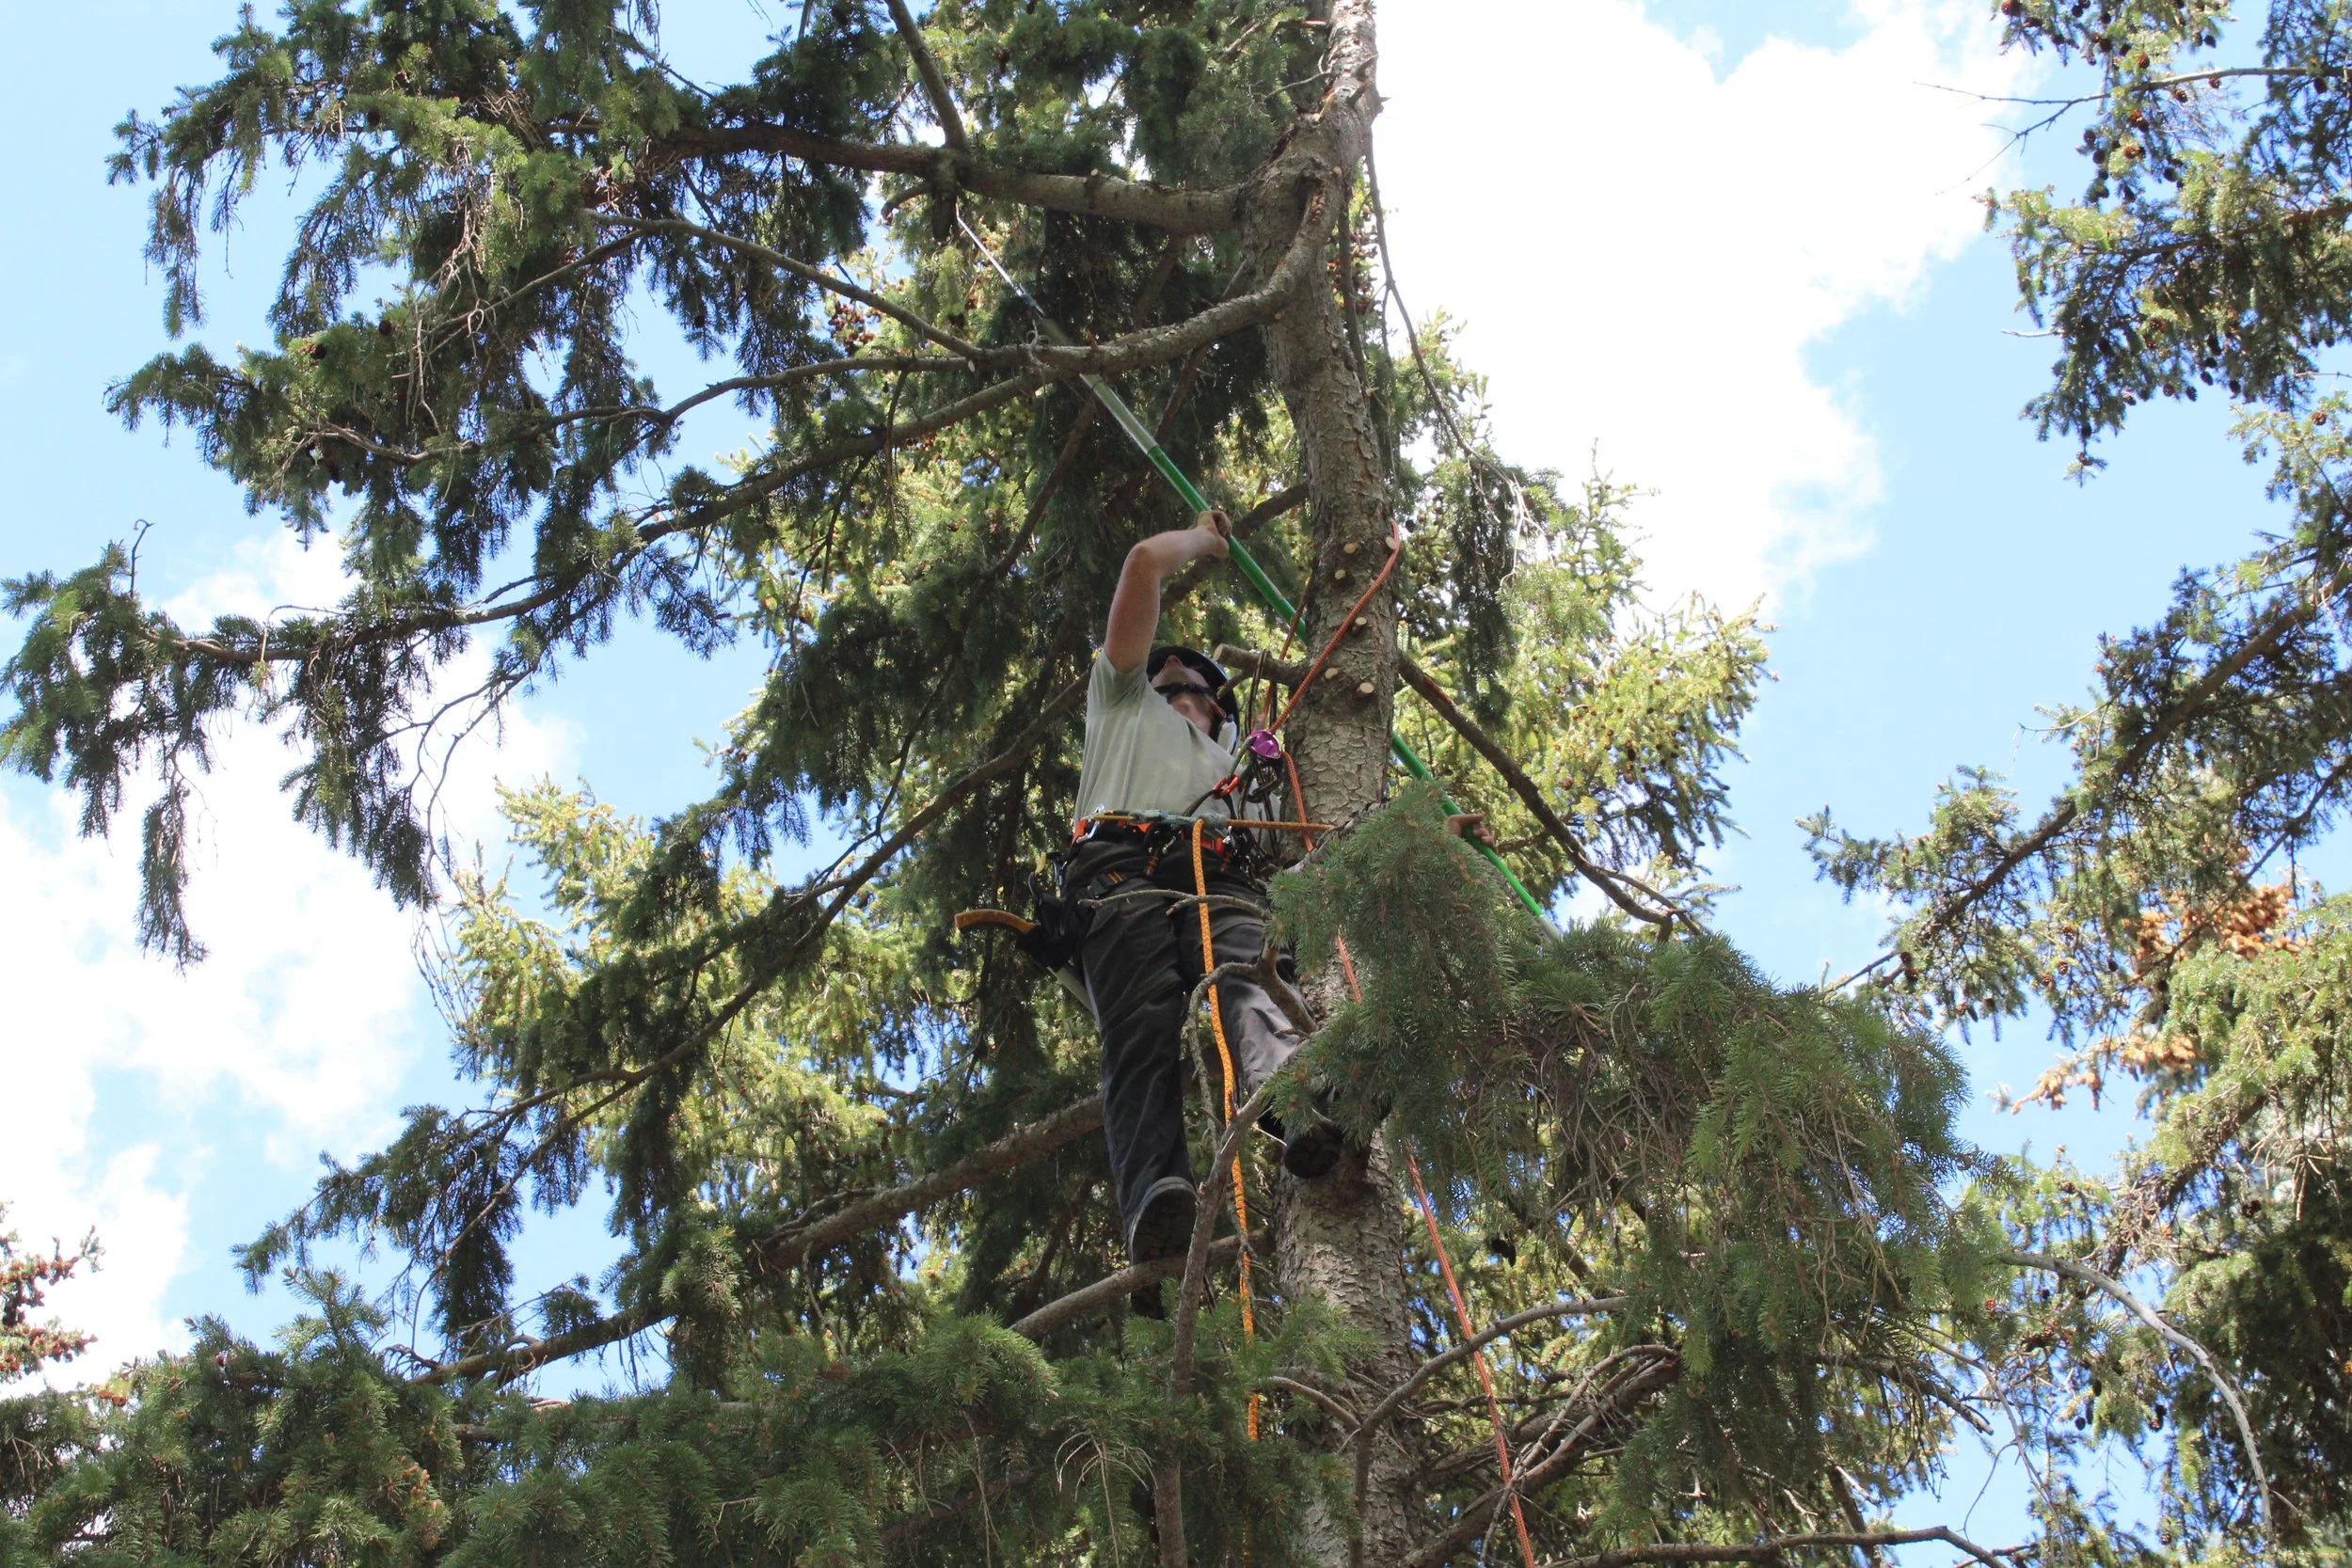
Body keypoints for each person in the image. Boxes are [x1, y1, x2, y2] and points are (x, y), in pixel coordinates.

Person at [1062, 507, 1341, 1278]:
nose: (1176, 686)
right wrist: (1204, 543)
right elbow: (1143, 563)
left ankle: (1299, 1104)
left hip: (1218, 868)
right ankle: (1156, 1194)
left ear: (1221, 705)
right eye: (1168, 676)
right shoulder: (1120, 702)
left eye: (1192, 685)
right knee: (1143, 1018)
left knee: (1249, 982)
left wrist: (1423, 832)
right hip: (1116, 864)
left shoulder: (1243, 778)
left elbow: (1314, 857)